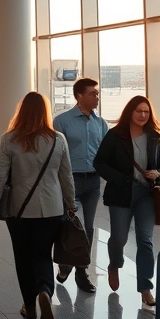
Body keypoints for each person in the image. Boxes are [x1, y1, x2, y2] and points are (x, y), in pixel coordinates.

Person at [0, 92, 75, 319]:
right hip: (53, 210)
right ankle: (45, 291)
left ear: (21, 111)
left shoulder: (9, 140)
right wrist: (71, 203)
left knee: (23, 259)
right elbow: (66, 177)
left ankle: (29, 305)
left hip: (20, 211)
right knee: (43, 254)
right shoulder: (59, 140)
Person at [93, 95, 160, 307]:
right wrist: (122, 178)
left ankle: (145, 288)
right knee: (119, 238)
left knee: (145, 241)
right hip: (121, 193)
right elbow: (99, 162)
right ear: (130, 112)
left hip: (146, 195)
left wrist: (158, 173)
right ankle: (114, 264)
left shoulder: (153, 136)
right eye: (139, 111)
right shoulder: (115, 135)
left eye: (146, 111)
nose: (143, 115)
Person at [52, 77, 107, 293]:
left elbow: (104, 153)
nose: (97, 97)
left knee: (89, 228)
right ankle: (66, 262)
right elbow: (56, 155)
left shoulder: (100, 123)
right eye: (93, 93)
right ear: (79, 96)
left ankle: (81, 271)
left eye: (97, 93)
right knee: (73, 225)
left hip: (93, 182)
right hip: (70, 181)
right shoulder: (62, 121)